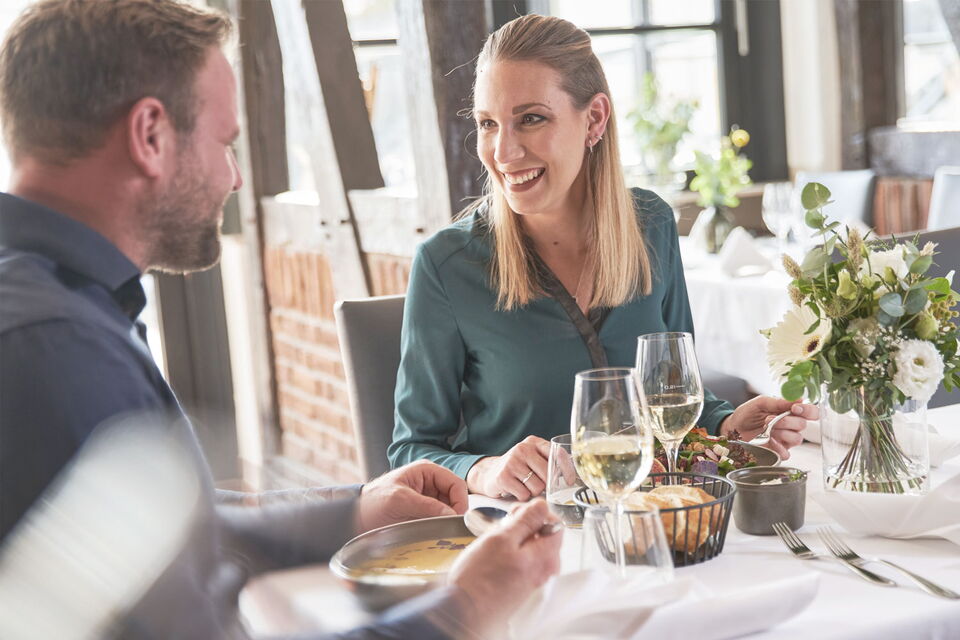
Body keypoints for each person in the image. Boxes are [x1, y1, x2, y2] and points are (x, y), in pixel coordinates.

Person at [0, 1, 560, 638]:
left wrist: (353, 512)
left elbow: (182, 537)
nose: (235, 178)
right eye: (225, 143)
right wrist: (466, 607)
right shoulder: (56, 352)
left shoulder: (57, 304)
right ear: (150, 136)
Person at [389, 14, 818, 500]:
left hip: (656, 516)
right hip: (532, 537)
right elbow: (412, 450)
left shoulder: (652, 225)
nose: (503, 151)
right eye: (489, 124)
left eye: (531, 118)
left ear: (593, 119)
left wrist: (726, 424)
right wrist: (484, 469)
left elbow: (676, 392)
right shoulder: (447, 265)